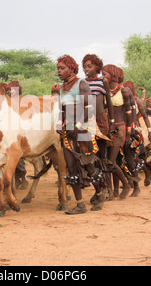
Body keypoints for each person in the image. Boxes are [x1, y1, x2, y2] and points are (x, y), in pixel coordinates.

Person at [56, 55, 104, 214]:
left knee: (88, 164)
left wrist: (76, 126)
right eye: (58, 68)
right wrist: (59, 124)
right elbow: (61, 110)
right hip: (67, 131)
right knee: (71, 167)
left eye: (62, 68)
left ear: (71, 68)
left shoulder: (81, 84)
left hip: (82, 130)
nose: (59, 71)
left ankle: (100, 193)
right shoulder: (62, 88)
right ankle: (80, 204)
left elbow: (89, 108)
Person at [82, 54, 114, 202]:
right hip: (86, 122)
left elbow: (109, 102)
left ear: (97, 67)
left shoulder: (103, 82)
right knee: (89, 156)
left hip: (100, 122)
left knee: (102, 156)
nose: (86, 69)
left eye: (90, 66)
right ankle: (99, 188)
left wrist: (112, 121)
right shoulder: (81, 83)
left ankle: (108, 187)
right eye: (85, 66)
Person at [101, 64, 133, 199]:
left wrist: (129, 131)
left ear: (113, 75)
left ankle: (126, 185)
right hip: (107, 129)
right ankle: (111, 191)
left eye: (104, 74)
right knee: (106, 161)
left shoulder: (124, 91)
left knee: (110, 161)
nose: (102, 77)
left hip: (119, 128)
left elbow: (129, 112)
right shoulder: (104, 91)